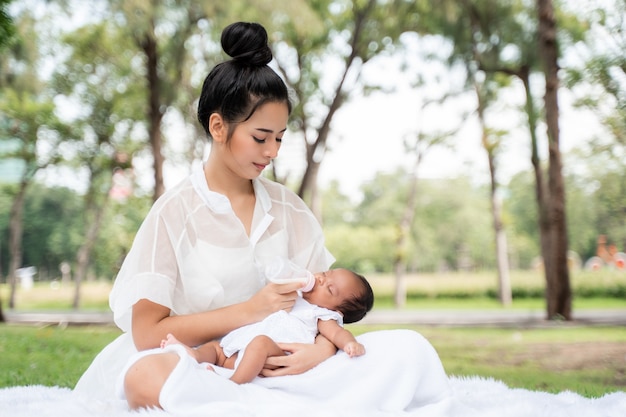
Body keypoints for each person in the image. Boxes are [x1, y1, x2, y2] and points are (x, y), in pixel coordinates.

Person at [76, 21, 452, 415]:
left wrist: (320, 352)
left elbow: (325, 310)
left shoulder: (290, 210)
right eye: (260, 137)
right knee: (146, 378)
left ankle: (258, 403)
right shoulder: (174, 213)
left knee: (409, 348)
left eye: (280, 137)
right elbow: (146, 334)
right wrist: (250, 312)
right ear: (218, 126)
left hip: (291, 367)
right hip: (210, 363)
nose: (272, 151)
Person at [160, 267, 373, 385]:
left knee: (260, 343)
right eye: (326, 274)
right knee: (216, 347)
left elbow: (337, 333)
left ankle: (234, 383)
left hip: (271, 353)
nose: (319, 280)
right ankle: (194, 357)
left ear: (336, 311)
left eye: (330, 289)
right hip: (238, 347)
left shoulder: (322, 314)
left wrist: (350, 343)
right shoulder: (296, 293)